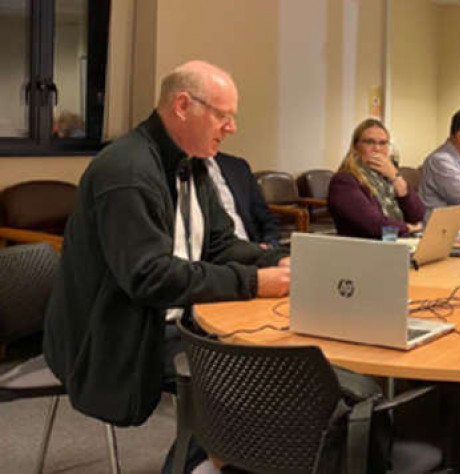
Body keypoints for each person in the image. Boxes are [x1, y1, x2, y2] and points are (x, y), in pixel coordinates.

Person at [42, 60, 290, 470]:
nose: (232, 127)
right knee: (245, 380)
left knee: (275, 359)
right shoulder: (127, 170)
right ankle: (193, 465)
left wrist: (276, 261)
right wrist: (252, 282)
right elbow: (149, 276)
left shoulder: (190, 164)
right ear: (182, 106)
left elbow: (220, 242)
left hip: (166, 320)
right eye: (223, 115)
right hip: (111, 337)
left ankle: (209, 462)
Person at [327, 118, 425, 239]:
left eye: (383, 143)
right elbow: (374, 226)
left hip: (397, 242)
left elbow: (417, 214)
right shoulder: (344, 181)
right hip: (365, 248)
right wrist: (408, 228)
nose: (377, 149)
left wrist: (395, 178)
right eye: (369, 142)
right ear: (356, 147)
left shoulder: (388, 175)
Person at [205, 151, 282, 248]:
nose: (228, 134)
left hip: (255, 248)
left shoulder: (238, 166)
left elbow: (267, 219)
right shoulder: (185, 171)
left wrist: (269, 244)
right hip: (216, 256)